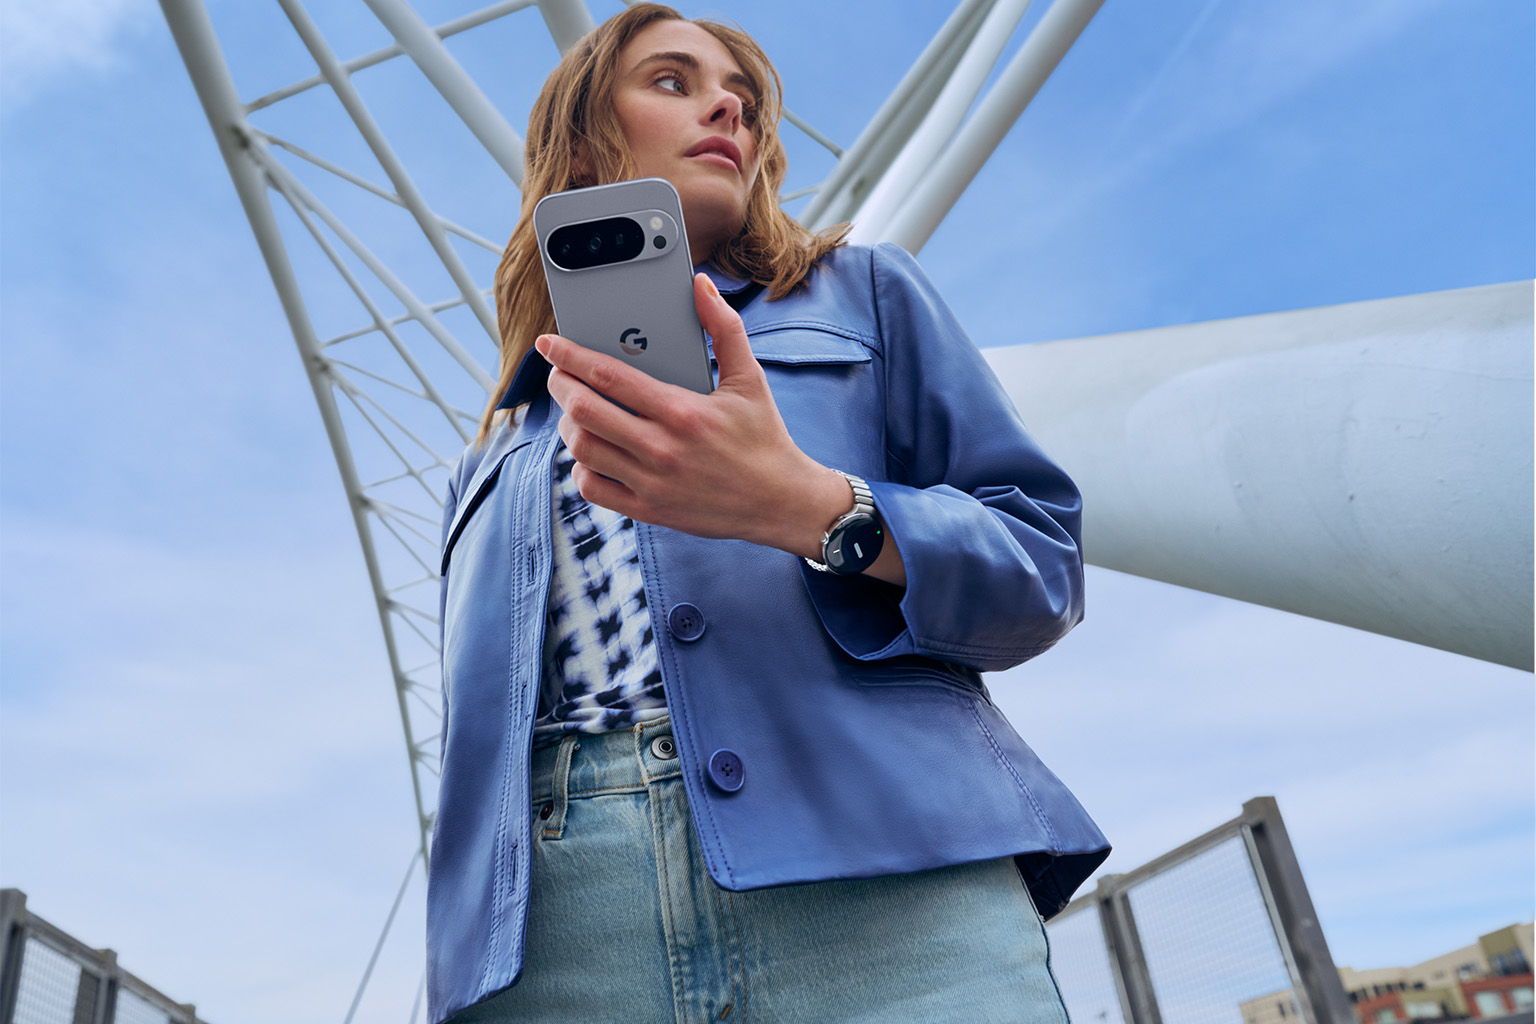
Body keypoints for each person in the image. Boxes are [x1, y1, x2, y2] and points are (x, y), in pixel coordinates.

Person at [430, 5, 1109, 1022]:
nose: (726, 107)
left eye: (742, 99)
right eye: (672, 80)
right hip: (558, 943)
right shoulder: (493, 445)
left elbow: (1041, 566)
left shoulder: (867, 295)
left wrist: (817, 508)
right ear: (578, 137)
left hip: (885, 887)